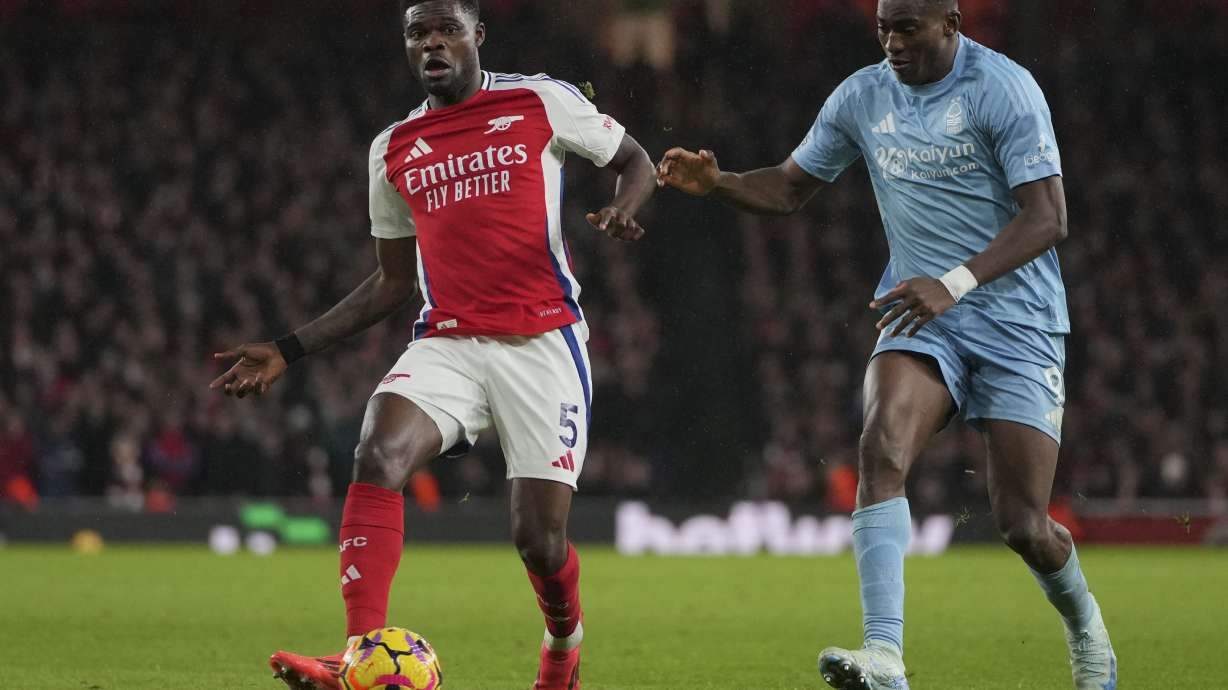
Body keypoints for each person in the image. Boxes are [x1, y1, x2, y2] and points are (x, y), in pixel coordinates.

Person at [656, 1, 1115, 688]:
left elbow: (1048, 218)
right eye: (883, 28)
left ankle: (1087, 631)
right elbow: (789, 187)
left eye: (907, 27)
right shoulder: (862, 96)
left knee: (1023, 524)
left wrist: (954, 283)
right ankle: (885, 657)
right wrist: (718, 183)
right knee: (880, 447)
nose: (892, 42)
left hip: (1017, 322)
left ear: (951, 24)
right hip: (923, 317)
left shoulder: (1004, 88)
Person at [210, 0, 656, 687]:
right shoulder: (392, 148)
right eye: (418, 32)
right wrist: (288, 348)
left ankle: (563, 644)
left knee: (539, 543)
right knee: (377, 451)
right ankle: (359, 652)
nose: (433, 43)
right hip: (449, 340)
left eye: (448, 29)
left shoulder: (540, 100)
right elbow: (392, 282)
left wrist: (624, 207)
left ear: (478, 35)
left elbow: (636, 161)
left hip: (542, 343)